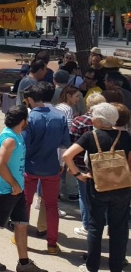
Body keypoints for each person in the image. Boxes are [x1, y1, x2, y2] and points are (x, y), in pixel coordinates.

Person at [0, 105, 47, 272]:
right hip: (6, 190)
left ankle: (24, 263)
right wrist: (14, 185)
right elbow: (0, 164)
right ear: (22, 121)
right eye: (27, 119)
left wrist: (18, 186)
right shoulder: (10, 139)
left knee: (21, 224)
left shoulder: (17, 135)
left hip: (17, 190)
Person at [63, 103, 131, 272]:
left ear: (100, 121)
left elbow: (67, 155)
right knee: (118, 228)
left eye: (93, 116)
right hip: (121, 187)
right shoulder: (127, 137)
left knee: (95, 227)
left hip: (97, 187)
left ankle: (91, 266)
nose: (91, 118)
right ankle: (116, 266)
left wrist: (78, 174)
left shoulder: (89, 136)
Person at [21, 83, 69, 254]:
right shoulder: (60, 115)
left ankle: (21, 239)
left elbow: (23, 145)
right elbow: (64, 144)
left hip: (31, 167)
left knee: (25, 204)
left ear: (30, 100)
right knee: (51, 206)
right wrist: (62, 164)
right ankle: (52, 244)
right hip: (52, 167)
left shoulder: (30, 118)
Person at [68, 92, 106, 237]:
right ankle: (102, 223)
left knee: (84, 197)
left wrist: (72, 166)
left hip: (83, 167)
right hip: (103, 165)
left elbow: (72, 142)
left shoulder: (79, 121)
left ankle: (86, 225)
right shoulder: (108, 122)